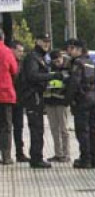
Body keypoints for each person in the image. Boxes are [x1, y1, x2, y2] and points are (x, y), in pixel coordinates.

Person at [20, 34, 59, 168]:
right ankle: (36, 158)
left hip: (37, 95)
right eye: (44, 41)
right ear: (37, 41)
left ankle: (37, 156)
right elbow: (32, 76)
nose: (46, 44)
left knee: (39, 128)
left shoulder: (40, 57)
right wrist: (51, 76)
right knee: (36, 128)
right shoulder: (33, 57)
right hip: (33, 96)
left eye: (48, 42)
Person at [65, 39, 95, 169]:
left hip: (82, 100)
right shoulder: (91, 62)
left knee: (82, 131)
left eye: (72, 48)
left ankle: (85, 159)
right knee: (92, 130)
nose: (70, 51)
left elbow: (74, 83)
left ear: (79, 50)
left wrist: (67, 100)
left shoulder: (78, 63)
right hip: (93, 99)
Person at [45, 50, 71, 163]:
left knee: (64, 129)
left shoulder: (68, 67)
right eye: (55, 61)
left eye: (58, 60)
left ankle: (66, 154)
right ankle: (58, 154)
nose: (57, 63)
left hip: (62, 102)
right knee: (54, 129)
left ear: (61, 57)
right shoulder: (49, 67)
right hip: (50, 102)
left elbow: (69, 83)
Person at [0, 32, 20, 165]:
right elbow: (15, 70)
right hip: (5, 95)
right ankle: (6, 156)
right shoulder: (7, 52)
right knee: (6, 126)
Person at [11, 41, 28, 162]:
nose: (21, 53)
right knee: (5, 127)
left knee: (19, 127)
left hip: (19, 99)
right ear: (12, 50)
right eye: (19, 51)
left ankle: (19, 153)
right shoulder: (8, 61)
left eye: (22, 51)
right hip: (8, 98)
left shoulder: (22, 64)